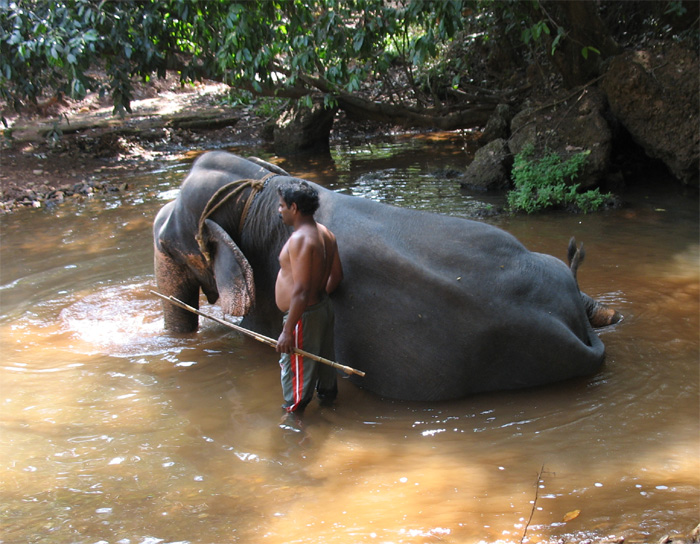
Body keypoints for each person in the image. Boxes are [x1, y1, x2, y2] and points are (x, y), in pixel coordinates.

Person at [275, 180, 343, 413]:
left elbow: (301, 290)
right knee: (324, 370)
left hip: (303, 316)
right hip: (320, 309)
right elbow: (337, 276)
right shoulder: (326, 233)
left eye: (282, 205)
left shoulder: (301, 239)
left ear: (294, 207)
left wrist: (288, 331)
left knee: (295, 378)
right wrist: (319, 300)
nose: (279, 210)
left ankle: (294, 428)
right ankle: (329, 411)